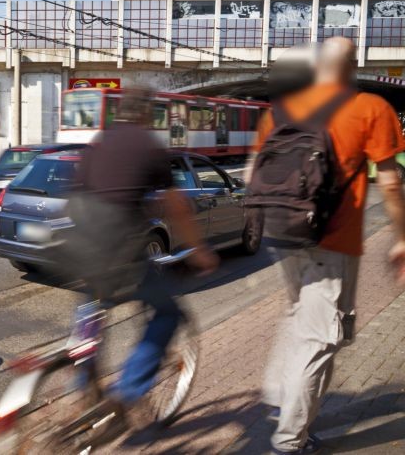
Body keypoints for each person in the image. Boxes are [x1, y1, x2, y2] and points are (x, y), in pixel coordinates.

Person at [255, 37, 405, 454]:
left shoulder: (279, 111)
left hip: (283, 236)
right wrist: (402, 238)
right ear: (352, 64)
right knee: (320, 339)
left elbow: (259, 172)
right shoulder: (370, 107)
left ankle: (281, 402)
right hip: (332, 240)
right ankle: (289, 440)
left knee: (300, 317)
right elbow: (390, 182)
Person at [67, 87, 218, 415]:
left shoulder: (99, 143)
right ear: (149, 114)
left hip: (79, 247)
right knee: (167, 313)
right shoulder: (149, 146)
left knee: (92, 305)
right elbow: (177, 205)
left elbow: (76, 194)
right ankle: (127, 393)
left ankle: (82, 387)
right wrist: (199, 250)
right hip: (120, 251)